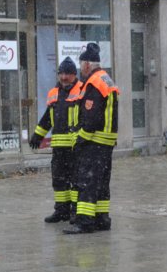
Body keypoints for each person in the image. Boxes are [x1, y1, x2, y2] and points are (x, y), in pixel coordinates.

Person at [64, 42, 119, 234]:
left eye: (81, 64)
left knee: (87, 182)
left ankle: (85, 222)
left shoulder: (94, 83)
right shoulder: (106, 79)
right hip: (106, 141)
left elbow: (92, 118)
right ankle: (102, 219)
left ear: (87, 64)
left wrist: (81, 139)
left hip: (94, 142)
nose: (81, 68)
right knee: (101, 183)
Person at [29, 56, 82, 223]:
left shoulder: (82, 90)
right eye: (61, 74)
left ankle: (75, 211)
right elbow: (48, 118)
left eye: (67, 74)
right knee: (59, 180)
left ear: (74, 75)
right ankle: (61, 210)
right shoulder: (54, 93)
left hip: (75, 146)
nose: (64, 77)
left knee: (75, 181)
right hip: (59, 148)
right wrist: (38, 135)